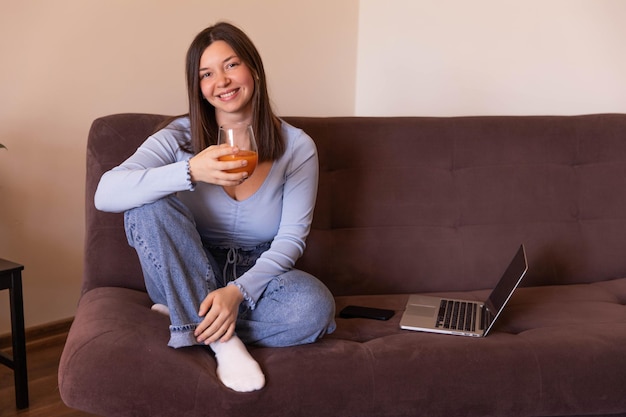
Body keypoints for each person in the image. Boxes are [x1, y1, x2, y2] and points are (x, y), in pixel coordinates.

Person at [94, 22, 336, 393]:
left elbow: (290, 239)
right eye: (206, 73)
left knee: (314, 308)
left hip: (257, 275)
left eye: (231, 65)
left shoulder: (297, 147)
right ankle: (223, 341)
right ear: (198, 87)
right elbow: (106, 193)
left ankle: (185, 316)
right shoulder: (178, 137)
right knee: (146, 207)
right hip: (184, 265)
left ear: (253, 69)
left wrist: (237, 291)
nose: (220, 81)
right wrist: (191, 170)